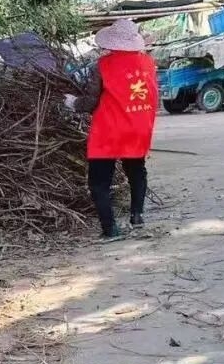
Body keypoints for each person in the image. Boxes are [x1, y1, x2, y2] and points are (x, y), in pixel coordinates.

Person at [66, 19, 158, 241]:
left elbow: (91, 102)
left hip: (109, 130)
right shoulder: (148, 63)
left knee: (99, 182)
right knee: (136, 171)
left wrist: (72, 103)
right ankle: (137, 216)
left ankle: (110, 229)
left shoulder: (103, 65)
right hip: (138, 126)